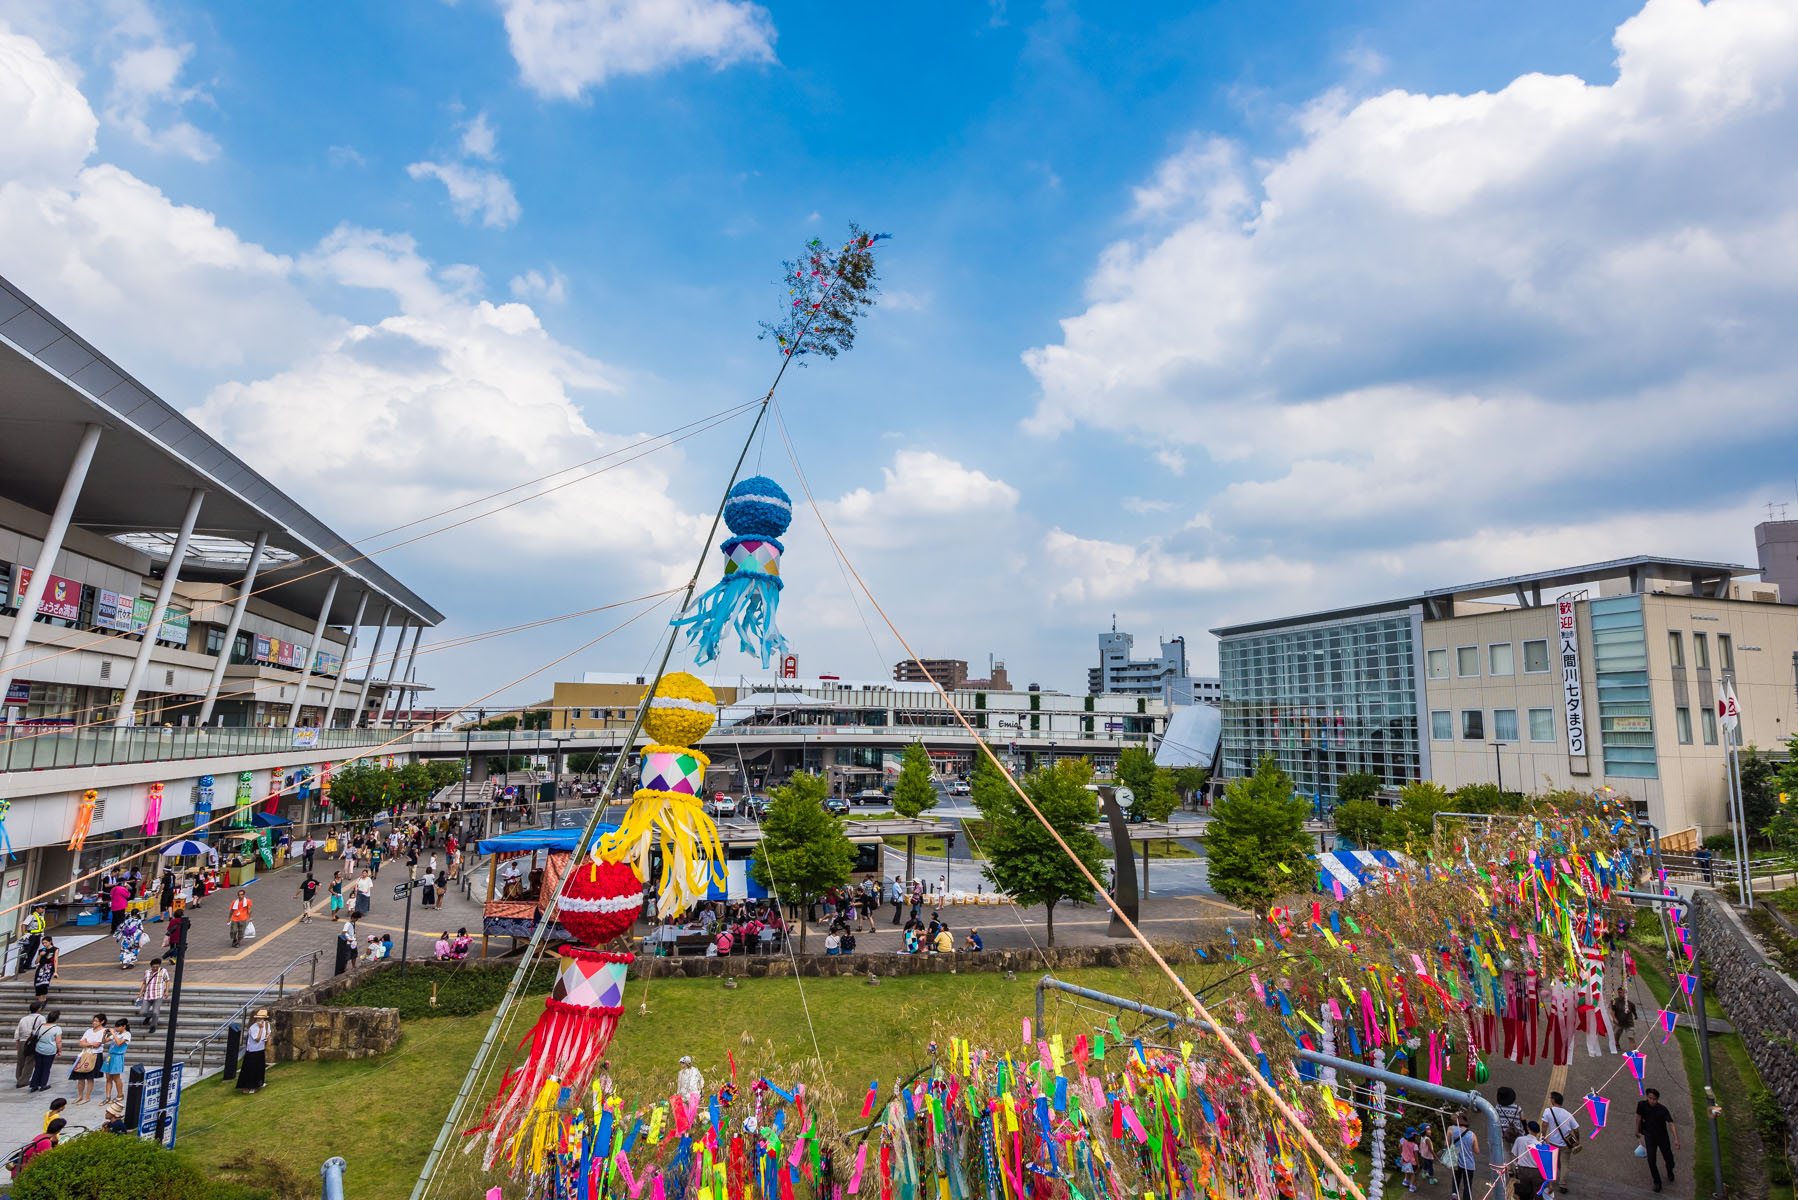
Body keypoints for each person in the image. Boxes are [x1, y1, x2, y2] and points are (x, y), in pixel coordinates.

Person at [1636, 1087, 1678, 1192]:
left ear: (1657, 1099)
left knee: (1669, 1159)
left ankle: (1669, 1169)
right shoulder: (1642, 1105)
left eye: (1654, 1099)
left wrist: (1676, 1139)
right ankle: (1657, 1182)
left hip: (1662, 1137)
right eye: (1650, 1098)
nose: (1652, 1101)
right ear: (1647, 1097)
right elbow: (1638, 1117)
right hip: (1649, 1136)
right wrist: (1637, 1130)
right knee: (1651, 1160)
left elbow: (1671, 1123)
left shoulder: (1663, 1110)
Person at [1539, 1091, 1577, 1194]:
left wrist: (1543, 1135)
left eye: (1551, 1098)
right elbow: (1576, 1128)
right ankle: (1563, 1184)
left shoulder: (1548, 1111)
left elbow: (1544, 1125)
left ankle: (1550, 1181)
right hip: (1565, 1144)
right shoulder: (1568, 1114)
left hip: (1552, 1143)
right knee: (1565, 1163)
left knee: (1552, 1161)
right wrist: (1577, 1140)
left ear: (1553, 1100)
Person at [68, 1012, 107, 1104]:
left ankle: (87, 1096)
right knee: (80, 1076)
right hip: (84, 1054)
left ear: (102, 1022)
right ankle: (80, 1095)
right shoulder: (89, 1031)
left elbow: (97, 1044)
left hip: (95, 1055)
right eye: (94, 1021)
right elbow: (81, 1043)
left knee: (90, 1077)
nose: (94, 1022)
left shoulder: (104, 1031)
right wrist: (90, 1044)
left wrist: (87, 1044)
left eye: (96, 1021)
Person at [1445, 1114, 1479, 1200]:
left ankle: (1454, 1195)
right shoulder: (1472, 1134)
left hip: (1456, 1162)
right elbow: (1477, 1151)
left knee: (1456, 1179)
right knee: (1467, 1185)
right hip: (1469, 1164)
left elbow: (1446, 1145)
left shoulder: (1451, 1129)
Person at [13, 1002, 45, 1091]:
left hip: (22, 1041)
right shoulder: (41, 1018)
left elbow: (17, 1030)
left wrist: (17, 1040)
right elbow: (41, 1029)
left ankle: (19, 1077)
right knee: (29, 1061)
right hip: (32, 1041)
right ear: (39, 1009)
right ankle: (23, 1081)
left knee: (21, 1060)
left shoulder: (24, 1018)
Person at [27, 1008, 61, 1093]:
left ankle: (34, 1085)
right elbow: (58, 1041)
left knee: (38, 1067)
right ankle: (43, 1084)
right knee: (46, 1068)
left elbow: (33, 1034)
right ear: (56, 1019)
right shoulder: (57, 1028)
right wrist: (59, 1050)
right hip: (50, 1050)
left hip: (39, 1049)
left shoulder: (41, 1026)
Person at [237, 1008, 270, 1092]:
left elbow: (268, 1032)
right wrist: (261, 1029)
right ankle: (250, 1086)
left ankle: (260, 1082)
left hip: (260, 1049)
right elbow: (257, 1039)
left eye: (261, 1018)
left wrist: (266, 1036)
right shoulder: (253, 1028)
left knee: (260, 1067)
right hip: (252, 1051)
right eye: (258, 1018)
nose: (260, 1019)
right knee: (251, 1070)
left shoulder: (267, 1024)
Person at [1511, 1120, 1544, 1200]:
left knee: (1525, 1191)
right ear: (1537, 1131)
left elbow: (1515, 1154)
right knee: (1537, 1192)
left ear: (1528, 1129)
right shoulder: (1539, 1144)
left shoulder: (1519, 1140)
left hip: (1523, 1170)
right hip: (1536, 1172)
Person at [137, 958, 172, 1033]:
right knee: (142, 1012)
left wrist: (166, 991)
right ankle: (149, 1016)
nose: (155, 968)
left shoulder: (163, 971)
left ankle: (153, 1026)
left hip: (158, 994)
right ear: (151, 966)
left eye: (157, 967)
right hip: (147, 995)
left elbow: (167, 981)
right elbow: (144, 983)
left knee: (156, 1012)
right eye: (154, 967)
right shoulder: (147, 972)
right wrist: (140, 993)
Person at [103, 1018, 130, 1104]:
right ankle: (107, 1097)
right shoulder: (117, 1033)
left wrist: (113, 1034)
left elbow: (119, 1043)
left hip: (118, 1057)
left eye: (119, 1027)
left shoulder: (127, 1034)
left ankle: (120, 1095)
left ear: (124, 1026)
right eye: (116, 1027)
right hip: (110, 1056)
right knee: (108, 1077)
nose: (117, 1028)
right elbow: (103, 1041)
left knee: (116, 1078)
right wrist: (104, 1034)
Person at [31, 936, 57, 1000]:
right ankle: (40, 998)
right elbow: (36, 962)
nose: (44, 944)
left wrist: (55, 971)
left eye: (46, 943)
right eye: (43, 943)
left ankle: (44, 998)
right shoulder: (41, 951)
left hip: (49, 966)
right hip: (41, 967)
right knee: (37, 981)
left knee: (45, 981)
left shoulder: (55, 949)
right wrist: (40, 955)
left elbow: (55, 960)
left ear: (50, 942)